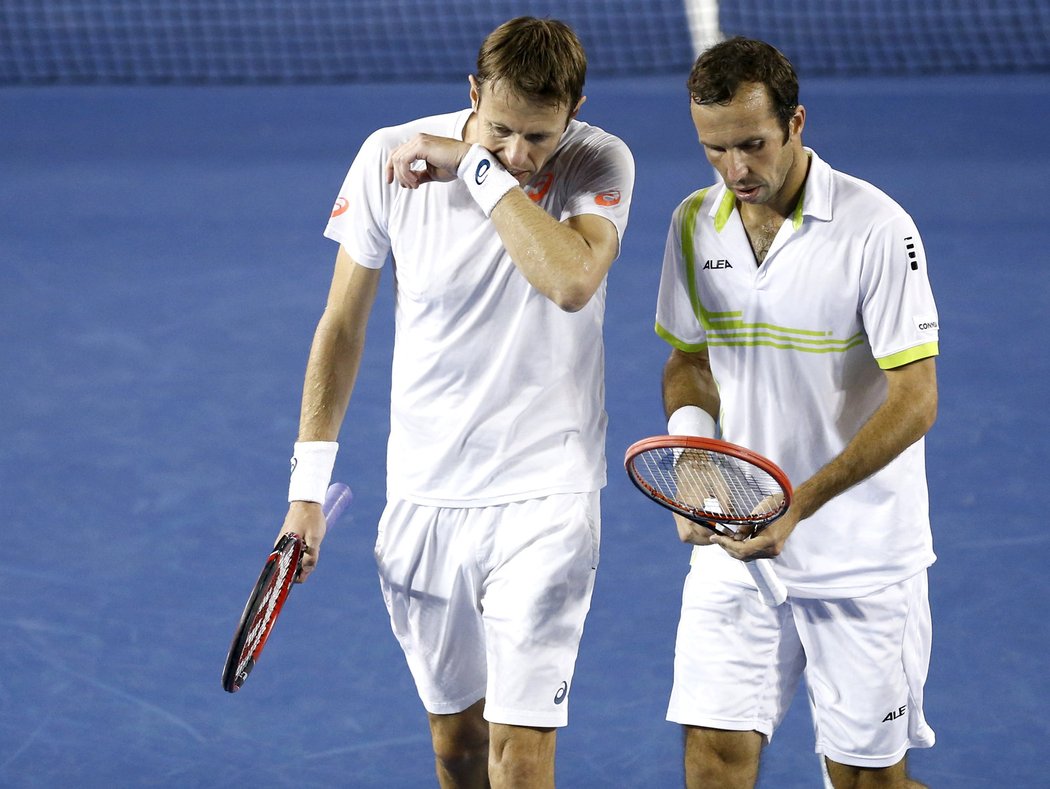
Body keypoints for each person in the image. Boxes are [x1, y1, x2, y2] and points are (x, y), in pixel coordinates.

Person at [274, 16, 634, 788]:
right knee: (458, 748)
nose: (519, 154)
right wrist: (306, 490)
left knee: (520, 751)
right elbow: (340, 327)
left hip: (547, 495)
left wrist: (473, 168)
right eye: (500, 130)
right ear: (472, 93)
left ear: (572, 113)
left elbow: (570, 280)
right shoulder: (386, 155)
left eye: (539, 136)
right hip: (425, 497)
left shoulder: (597, 161)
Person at [654, 37, 938, 788]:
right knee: (713, 761)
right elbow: (690, 362)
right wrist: (694, 451)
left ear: (796, 123)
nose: (735, 169)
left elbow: (916, 398)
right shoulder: (693, 223)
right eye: (715, 149)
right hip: (737, 547)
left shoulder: (878, 229)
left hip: (863, 555)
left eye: (752, 145)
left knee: (866, 780)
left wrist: (799, 505)